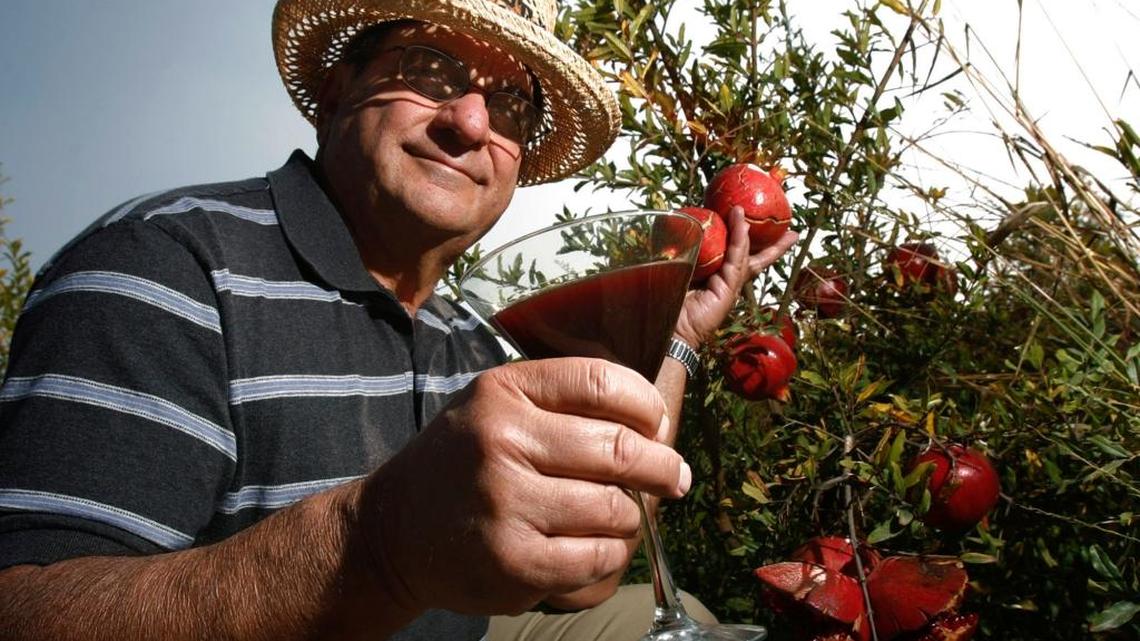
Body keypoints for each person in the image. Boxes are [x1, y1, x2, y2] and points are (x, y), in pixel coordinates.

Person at [0, 0, 797, 639]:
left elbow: (587, 572)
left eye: (512, 104)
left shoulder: (478, 337)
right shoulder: (167, 266)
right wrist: (374, 546)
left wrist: (681, 338)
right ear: (341, 85)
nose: (472, 124)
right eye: (429, 68)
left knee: (667, 611)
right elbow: (21, 608)